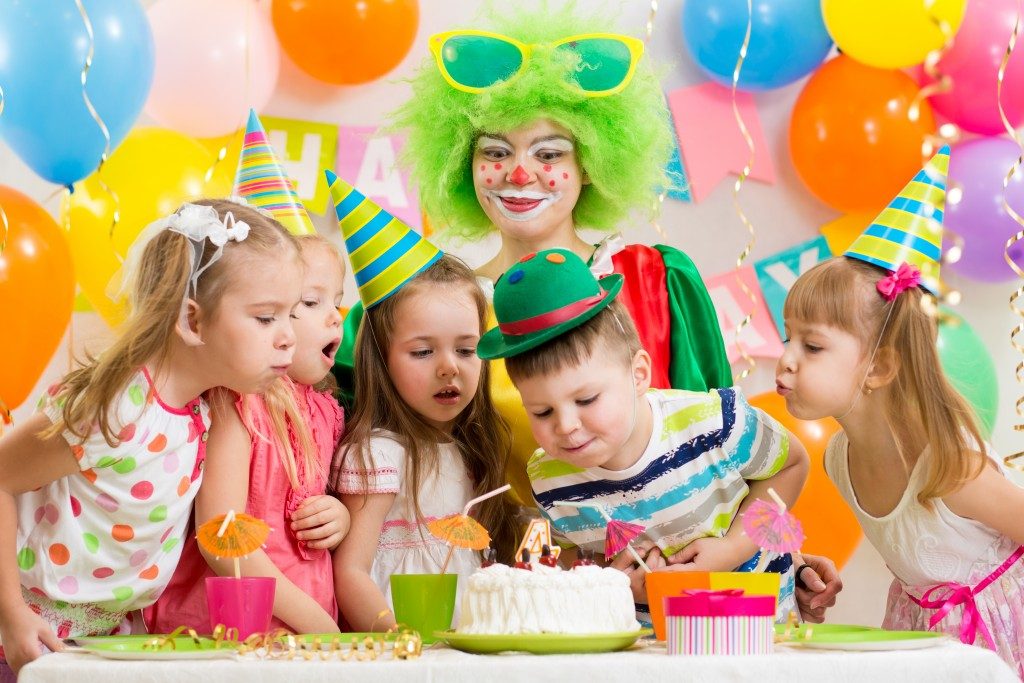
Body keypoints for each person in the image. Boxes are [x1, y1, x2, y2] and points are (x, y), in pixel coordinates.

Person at [334, 6, 731, 509]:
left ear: (588, 165)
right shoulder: (430, 304)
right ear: (465, 164)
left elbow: (724, 442)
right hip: (498, 577)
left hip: (664, 561)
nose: (519, 174)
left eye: (549, 154)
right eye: (496, 152)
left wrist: (768, 542)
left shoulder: (655, 279)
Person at [0, 199, 302, 676]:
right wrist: (11, 614)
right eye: (267, 318)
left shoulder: (203, 407)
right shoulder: (117, 407)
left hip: (104, 641)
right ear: (193, 320)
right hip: (30, 635)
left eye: (293, 315)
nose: (288, 337)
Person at [778, 147, 1024, 675]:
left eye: (812, 347)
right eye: (787, 339)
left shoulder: (949, 466)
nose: (785, 360)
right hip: (922, 639)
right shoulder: (838, 458)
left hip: (998, 645)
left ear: (880, 367)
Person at [478, 248, 810, 623]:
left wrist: (733, 548)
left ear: (638, 375)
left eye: (586, 399)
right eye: (542, 411)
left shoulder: (713, 423)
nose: (566, 425)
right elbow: (570, 551)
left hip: (760, 635)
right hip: (648, 654)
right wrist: (605, 579)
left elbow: (792, 465)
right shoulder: (549, 478)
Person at [325, 174, 517, 631]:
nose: (449, 368)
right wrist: (395, 642)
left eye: (466, 350)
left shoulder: (473, 449)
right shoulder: (379, 455)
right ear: (382, 358)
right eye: (423, 351)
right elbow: (350, 572)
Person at [146, 235, 351, 635]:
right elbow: (220, 535)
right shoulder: (237, 401)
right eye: (310, 303)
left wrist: (338, 516)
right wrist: (317, 624)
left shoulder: (327, 410)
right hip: (230, 632)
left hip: (303, 630)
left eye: (336, 301)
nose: (334, 317)